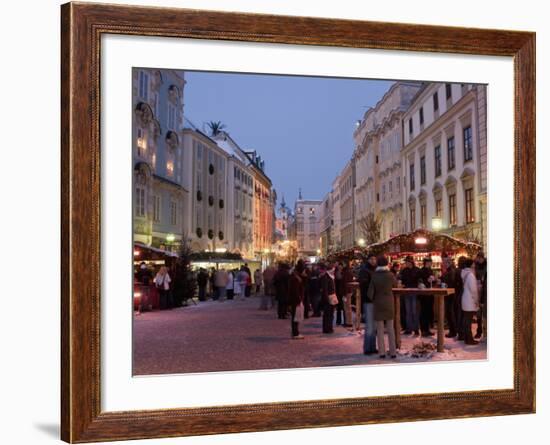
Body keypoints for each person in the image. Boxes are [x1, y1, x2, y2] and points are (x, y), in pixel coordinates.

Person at [368, 255, 398, 359]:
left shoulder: (374, 275)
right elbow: (396, 285)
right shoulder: (390, 275)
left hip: (378, 304)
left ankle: (382, 352)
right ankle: (393, 352)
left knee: (380, 330)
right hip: (389, 303)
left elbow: (370, 293)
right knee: (390, 329)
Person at [359, 254, 377, 354]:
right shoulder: (364, 271)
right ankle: (367, 348)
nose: (373, 261)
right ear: (368, 260)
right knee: (369, 326)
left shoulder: (375, 270)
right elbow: (364, 286)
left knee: (374, 326)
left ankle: (373, 347)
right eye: (371, 259)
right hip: (368, 300)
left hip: (375, 300)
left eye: (375, 259)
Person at [461, 258, 480, 345]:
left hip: (465, 299)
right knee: (468, 321)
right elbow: (474, 290)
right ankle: (469, 340)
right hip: (470, 300)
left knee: (465, 320)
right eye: (473, 263)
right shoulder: (471, 275)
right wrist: (476, 301)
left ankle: (466, 338)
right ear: (471, 265)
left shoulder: (464, 273)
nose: (475, 265)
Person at [400, 256, 420, 336]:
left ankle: (415, 329)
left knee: (414, 311)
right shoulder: (404, 270)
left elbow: (419, 280)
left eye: (407, 262)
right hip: (407, 291)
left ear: (411, 262)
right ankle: (409, 328)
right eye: (406, 262)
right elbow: (402, 280)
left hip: (414, 291)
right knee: (408, 311)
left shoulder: (417, 270)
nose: (406, 263)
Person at [288, 260, 306, 339]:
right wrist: (299, 299)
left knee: (296, 316)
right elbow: (295, 290)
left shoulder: (295, 276)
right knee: (296, 316)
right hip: (296, 300)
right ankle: (295, 333)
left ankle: (295, 332)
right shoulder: (296, 278)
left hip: (295, 299)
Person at [441, 257, 458, 338]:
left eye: (444, 263)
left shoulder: (450, 271)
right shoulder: (450, 271)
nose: (443, 264)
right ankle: (453, 330)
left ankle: (453, 331)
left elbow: (451, 283)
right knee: (450, 313)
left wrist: (444, 283)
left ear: (448, 263)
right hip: (450, 294)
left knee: (450, 313)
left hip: (450, 294)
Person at [419, 257, 435, 337]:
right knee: (424, 312)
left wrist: (434, 279)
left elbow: (432, 280)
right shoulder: (421, 271)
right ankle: (423, 330)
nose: (431, 264)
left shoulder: (430, 270)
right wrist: (426, 281)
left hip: (430, 293)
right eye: (429, 262)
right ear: (426, 263)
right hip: (424, 295)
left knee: (428, 311)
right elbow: (420, 282)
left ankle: (427, 329)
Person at [319, 263, 336, 333]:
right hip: (328, 297)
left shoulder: (331, 277)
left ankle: (330, 327)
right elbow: (325, 289)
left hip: (332, 296)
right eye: (333, 270)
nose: (334, 271)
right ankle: (326, 328)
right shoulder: (326, 277)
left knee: (331, 314)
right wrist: (326, 299)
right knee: (327, 314)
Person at [475, 252, 487, 340]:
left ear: (482, 258)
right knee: (478, 313)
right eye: (477, 258)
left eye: (479, 258)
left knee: (485, 313)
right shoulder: (476, 265)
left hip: (485, 291)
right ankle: (479, 331)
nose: (478, 260)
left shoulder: (487, 265)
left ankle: (485, 332)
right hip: (478, 290)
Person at [342, 262, 355, 327]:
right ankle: (348, 321)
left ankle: (349, 322)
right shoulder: (350, 272)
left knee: (347, 307)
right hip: (349, 291)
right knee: (348, 307)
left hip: (346, 292)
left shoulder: (345, 273)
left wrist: (344, 293)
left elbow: (345, 283)